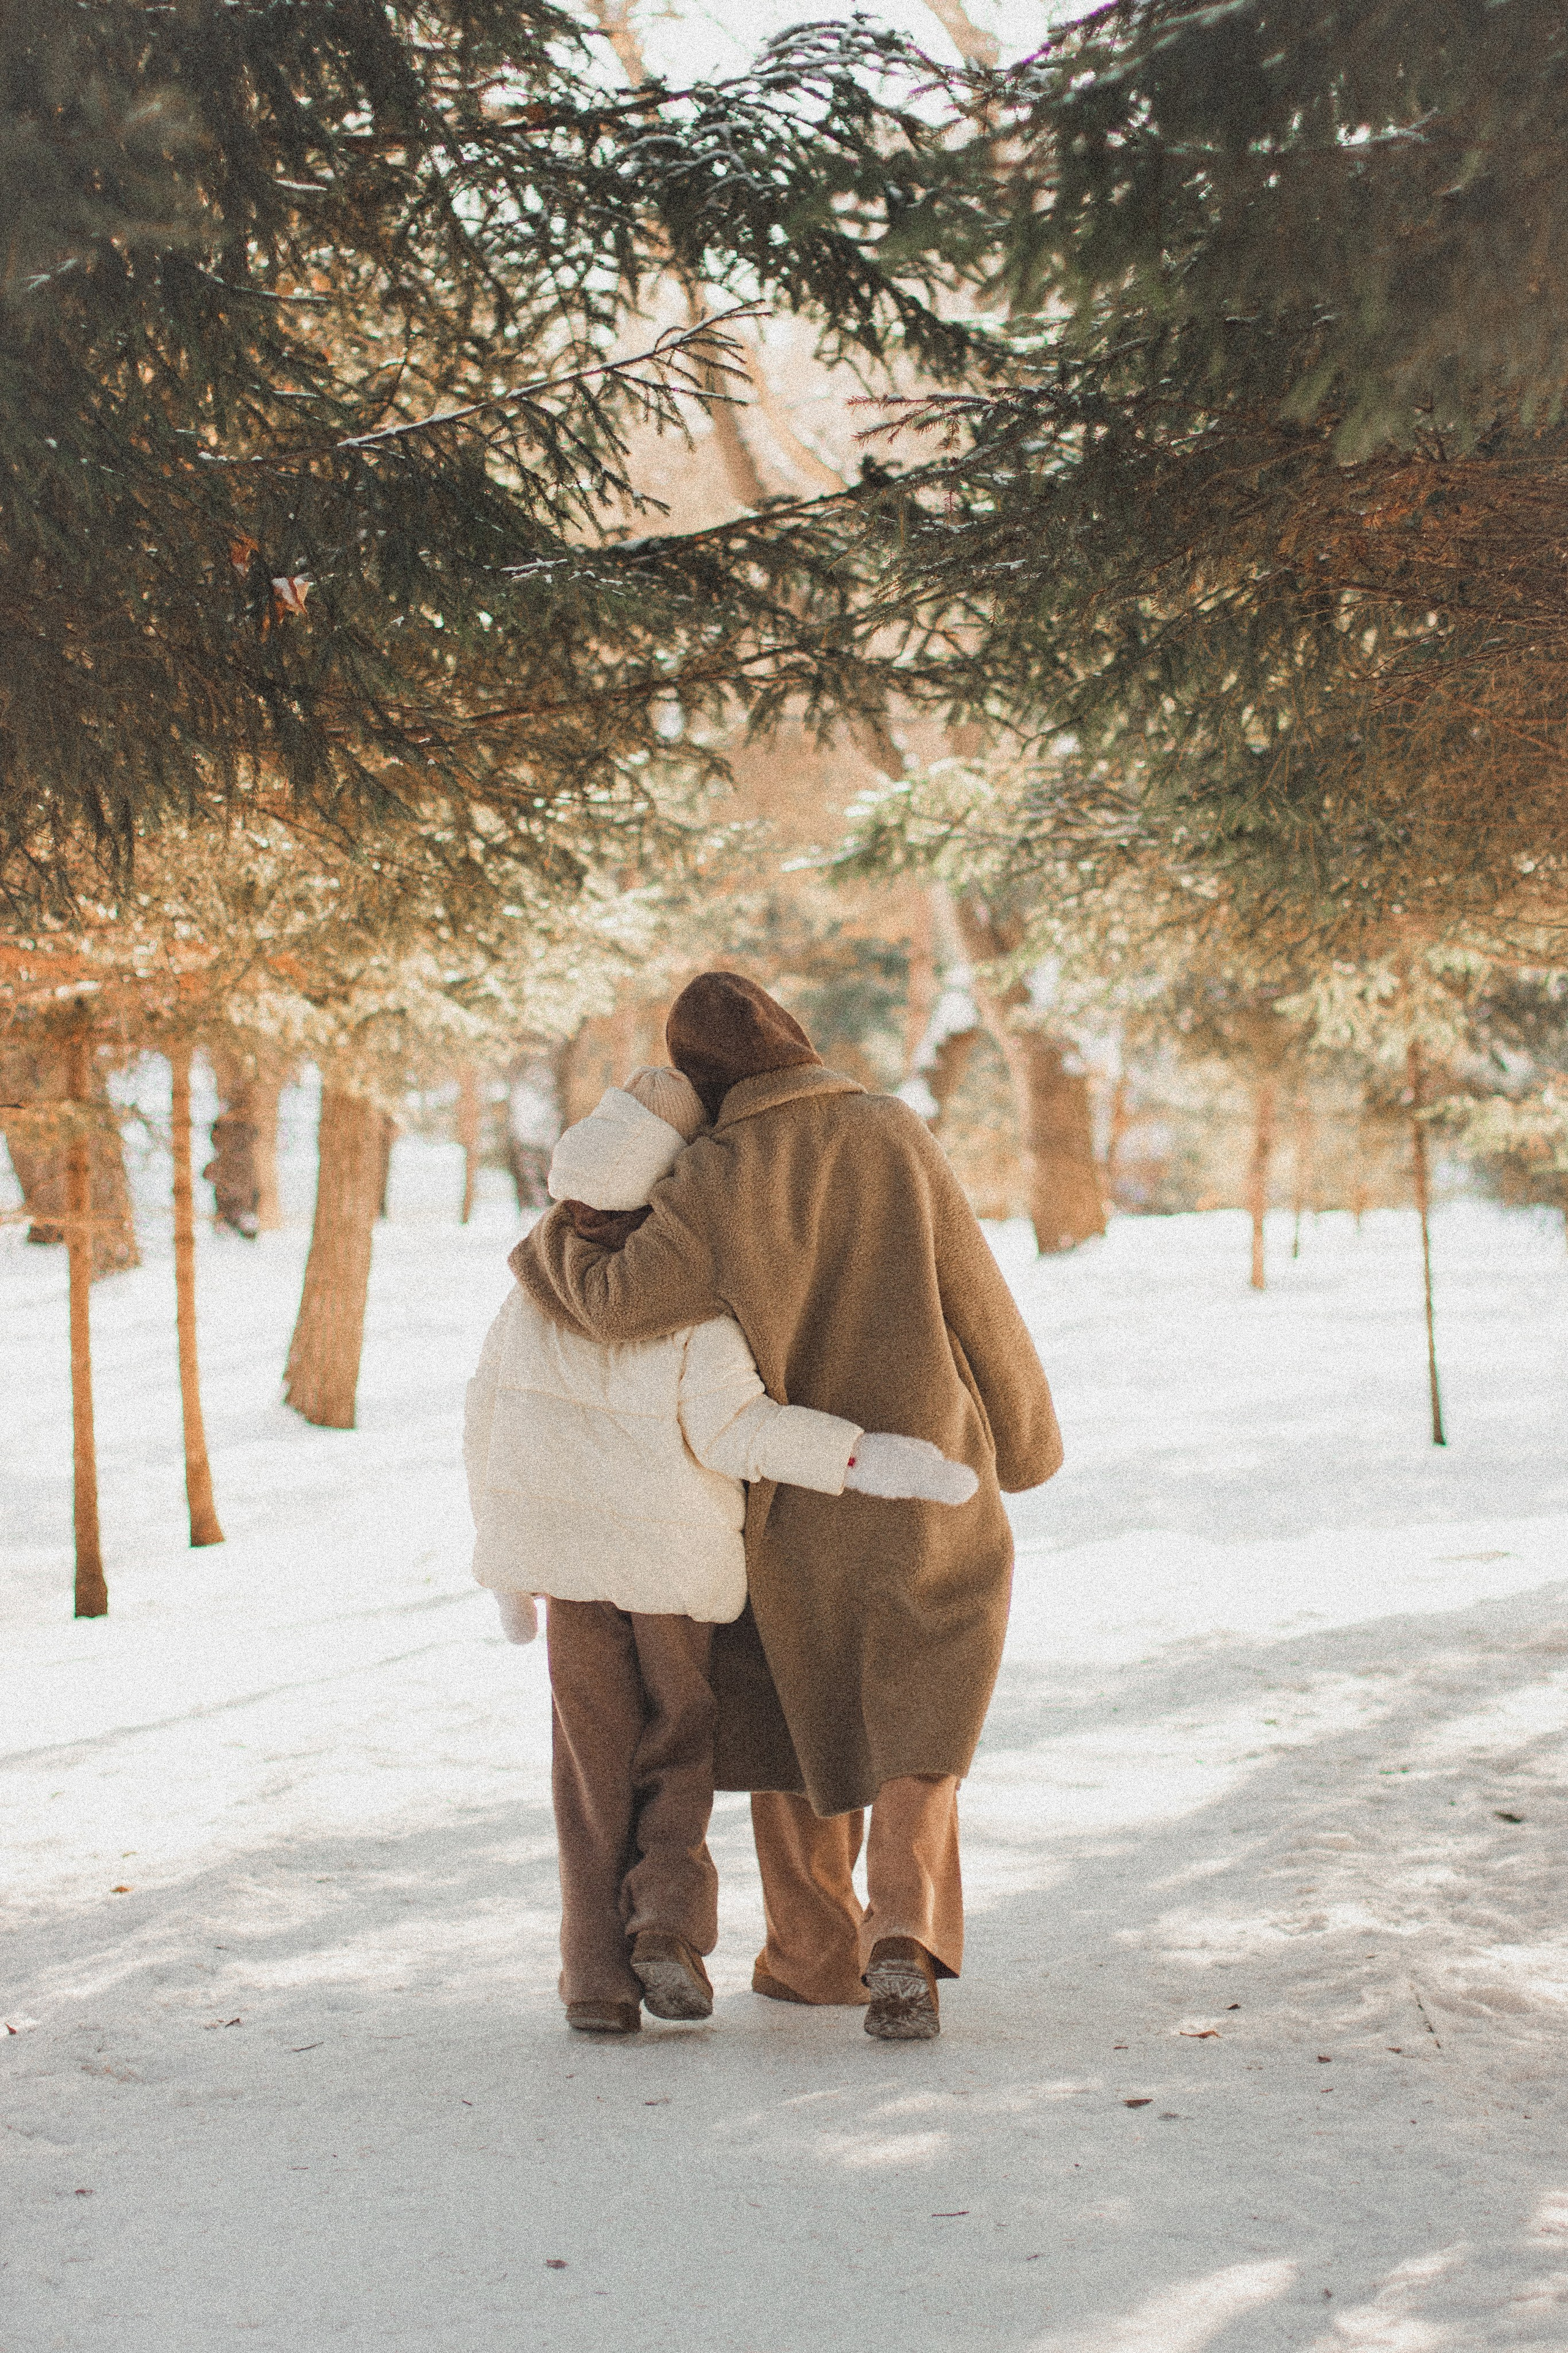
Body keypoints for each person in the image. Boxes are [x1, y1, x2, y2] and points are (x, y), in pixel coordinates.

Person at [512, 974, 1063, 2041]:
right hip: (928, 1473)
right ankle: (903, 1927)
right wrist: (1026, 1443)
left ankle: (813, 1954)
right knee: (919, 1716)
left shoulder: (712, 1177)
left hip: (793, 1501)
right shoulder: (892, 1130)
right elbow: (976, 1293)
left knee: (800, 1718)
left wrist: (546, 1243)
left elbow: (621, 1304)